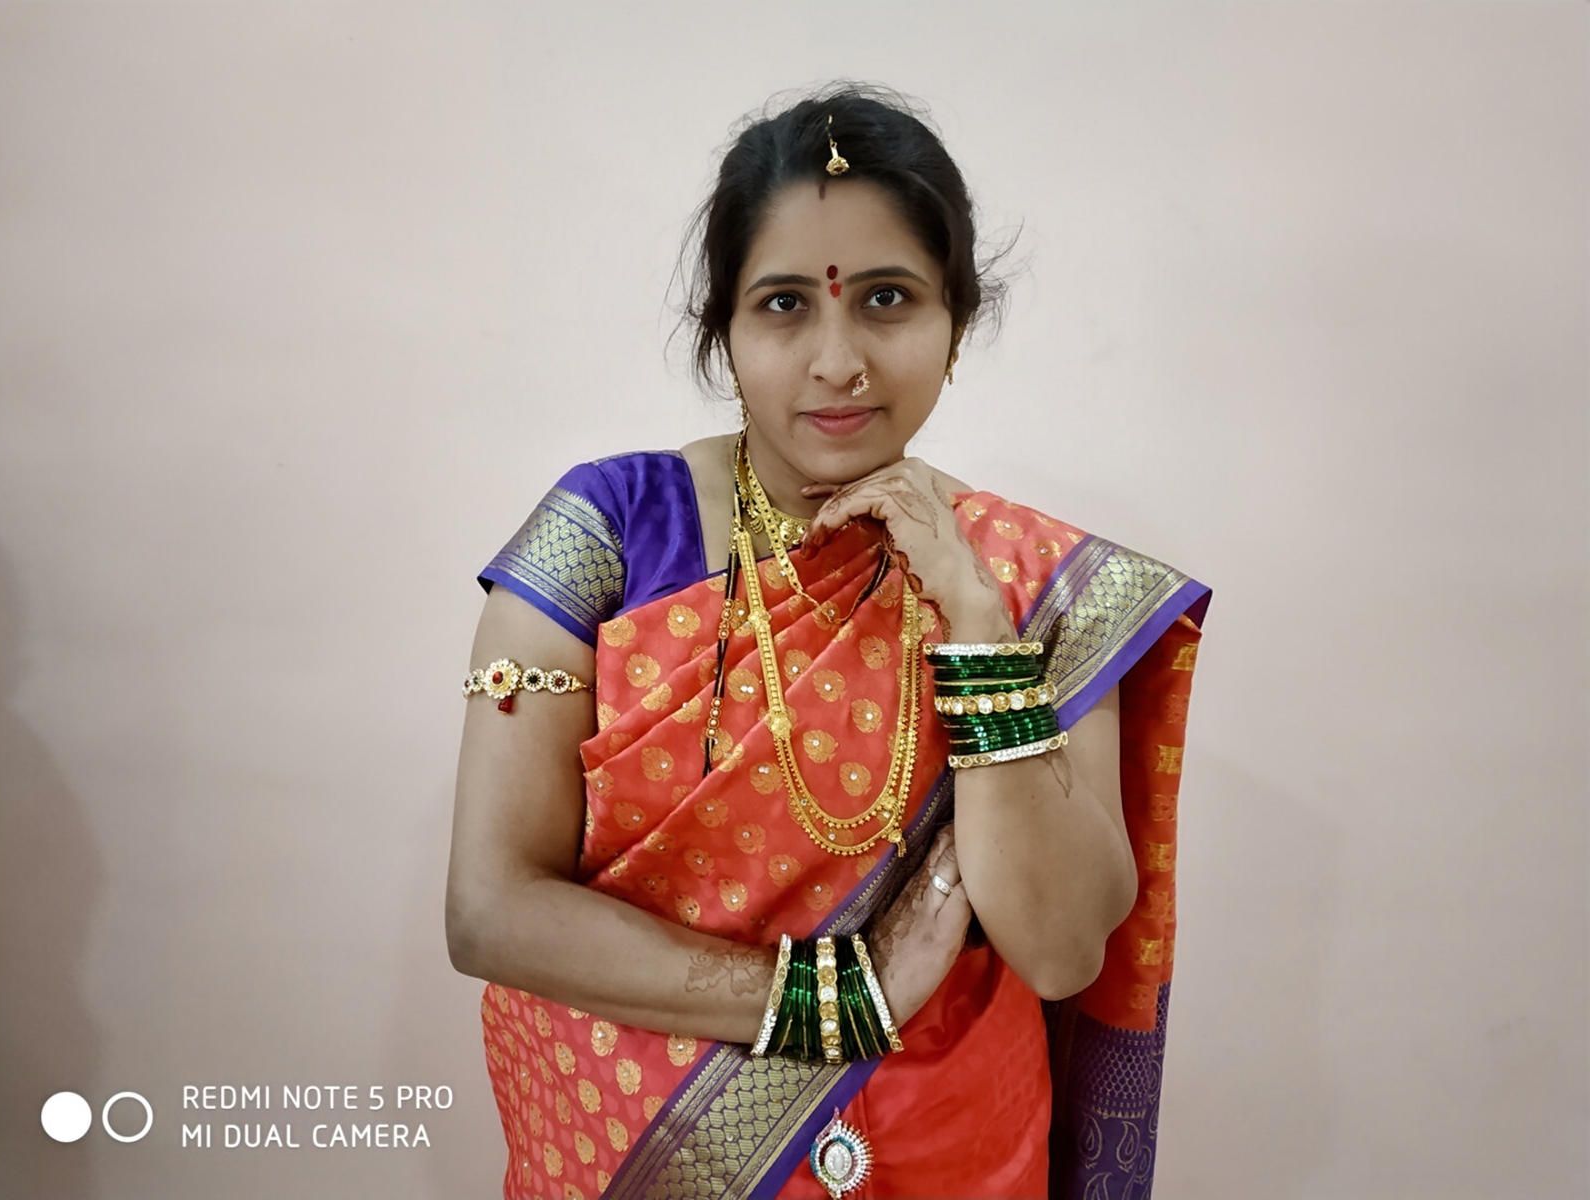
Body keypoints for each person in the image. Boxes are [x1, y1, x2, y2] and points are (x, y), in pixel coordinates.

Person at [446, 85, 1210, 1200]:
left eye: (887, 299)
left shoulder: (1031, 582)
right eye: (785, 304)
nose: (838, 360)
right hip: (658, 1154)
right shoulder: (606, 537)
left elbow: (1060, 950)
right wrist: (841, 996)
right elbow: (491, 911)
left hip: (953, 1155)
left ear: (956, 323)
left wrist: (977, 627)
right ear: (725, 330)